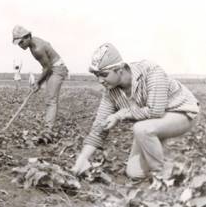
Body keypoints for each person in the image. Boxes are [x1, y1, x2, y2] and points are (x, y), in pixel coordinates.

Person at [71, 43, 200, 179]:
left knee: (141, 129)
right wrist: (82, 159)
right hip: (154, 123)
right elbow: (99, 127)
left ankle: (162, 176)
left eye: (103, 74)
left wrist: (120, 115)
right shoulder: (110, 91)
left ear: (119, 69)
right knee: (134, 173)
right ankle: (178, 166)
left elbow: (155, 111)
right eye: (96, 75)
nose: (100, 80)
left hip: (182, 111)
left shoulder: (151, 71)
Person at [12, 25, 69, 143]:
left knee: (51, 100)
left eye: (21, 41)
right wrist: (39, 83)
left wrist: (38, 82)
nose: (20, 45)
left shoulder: (37, 48)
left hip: (57, 69)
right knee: (49, 99)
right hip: (52, 68)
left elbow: (47, 67)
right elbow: (46, 66)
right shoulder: (34, 43)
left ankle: (48, 132)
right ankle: (47, 128)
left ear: (27, 37)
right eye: (18, 43)